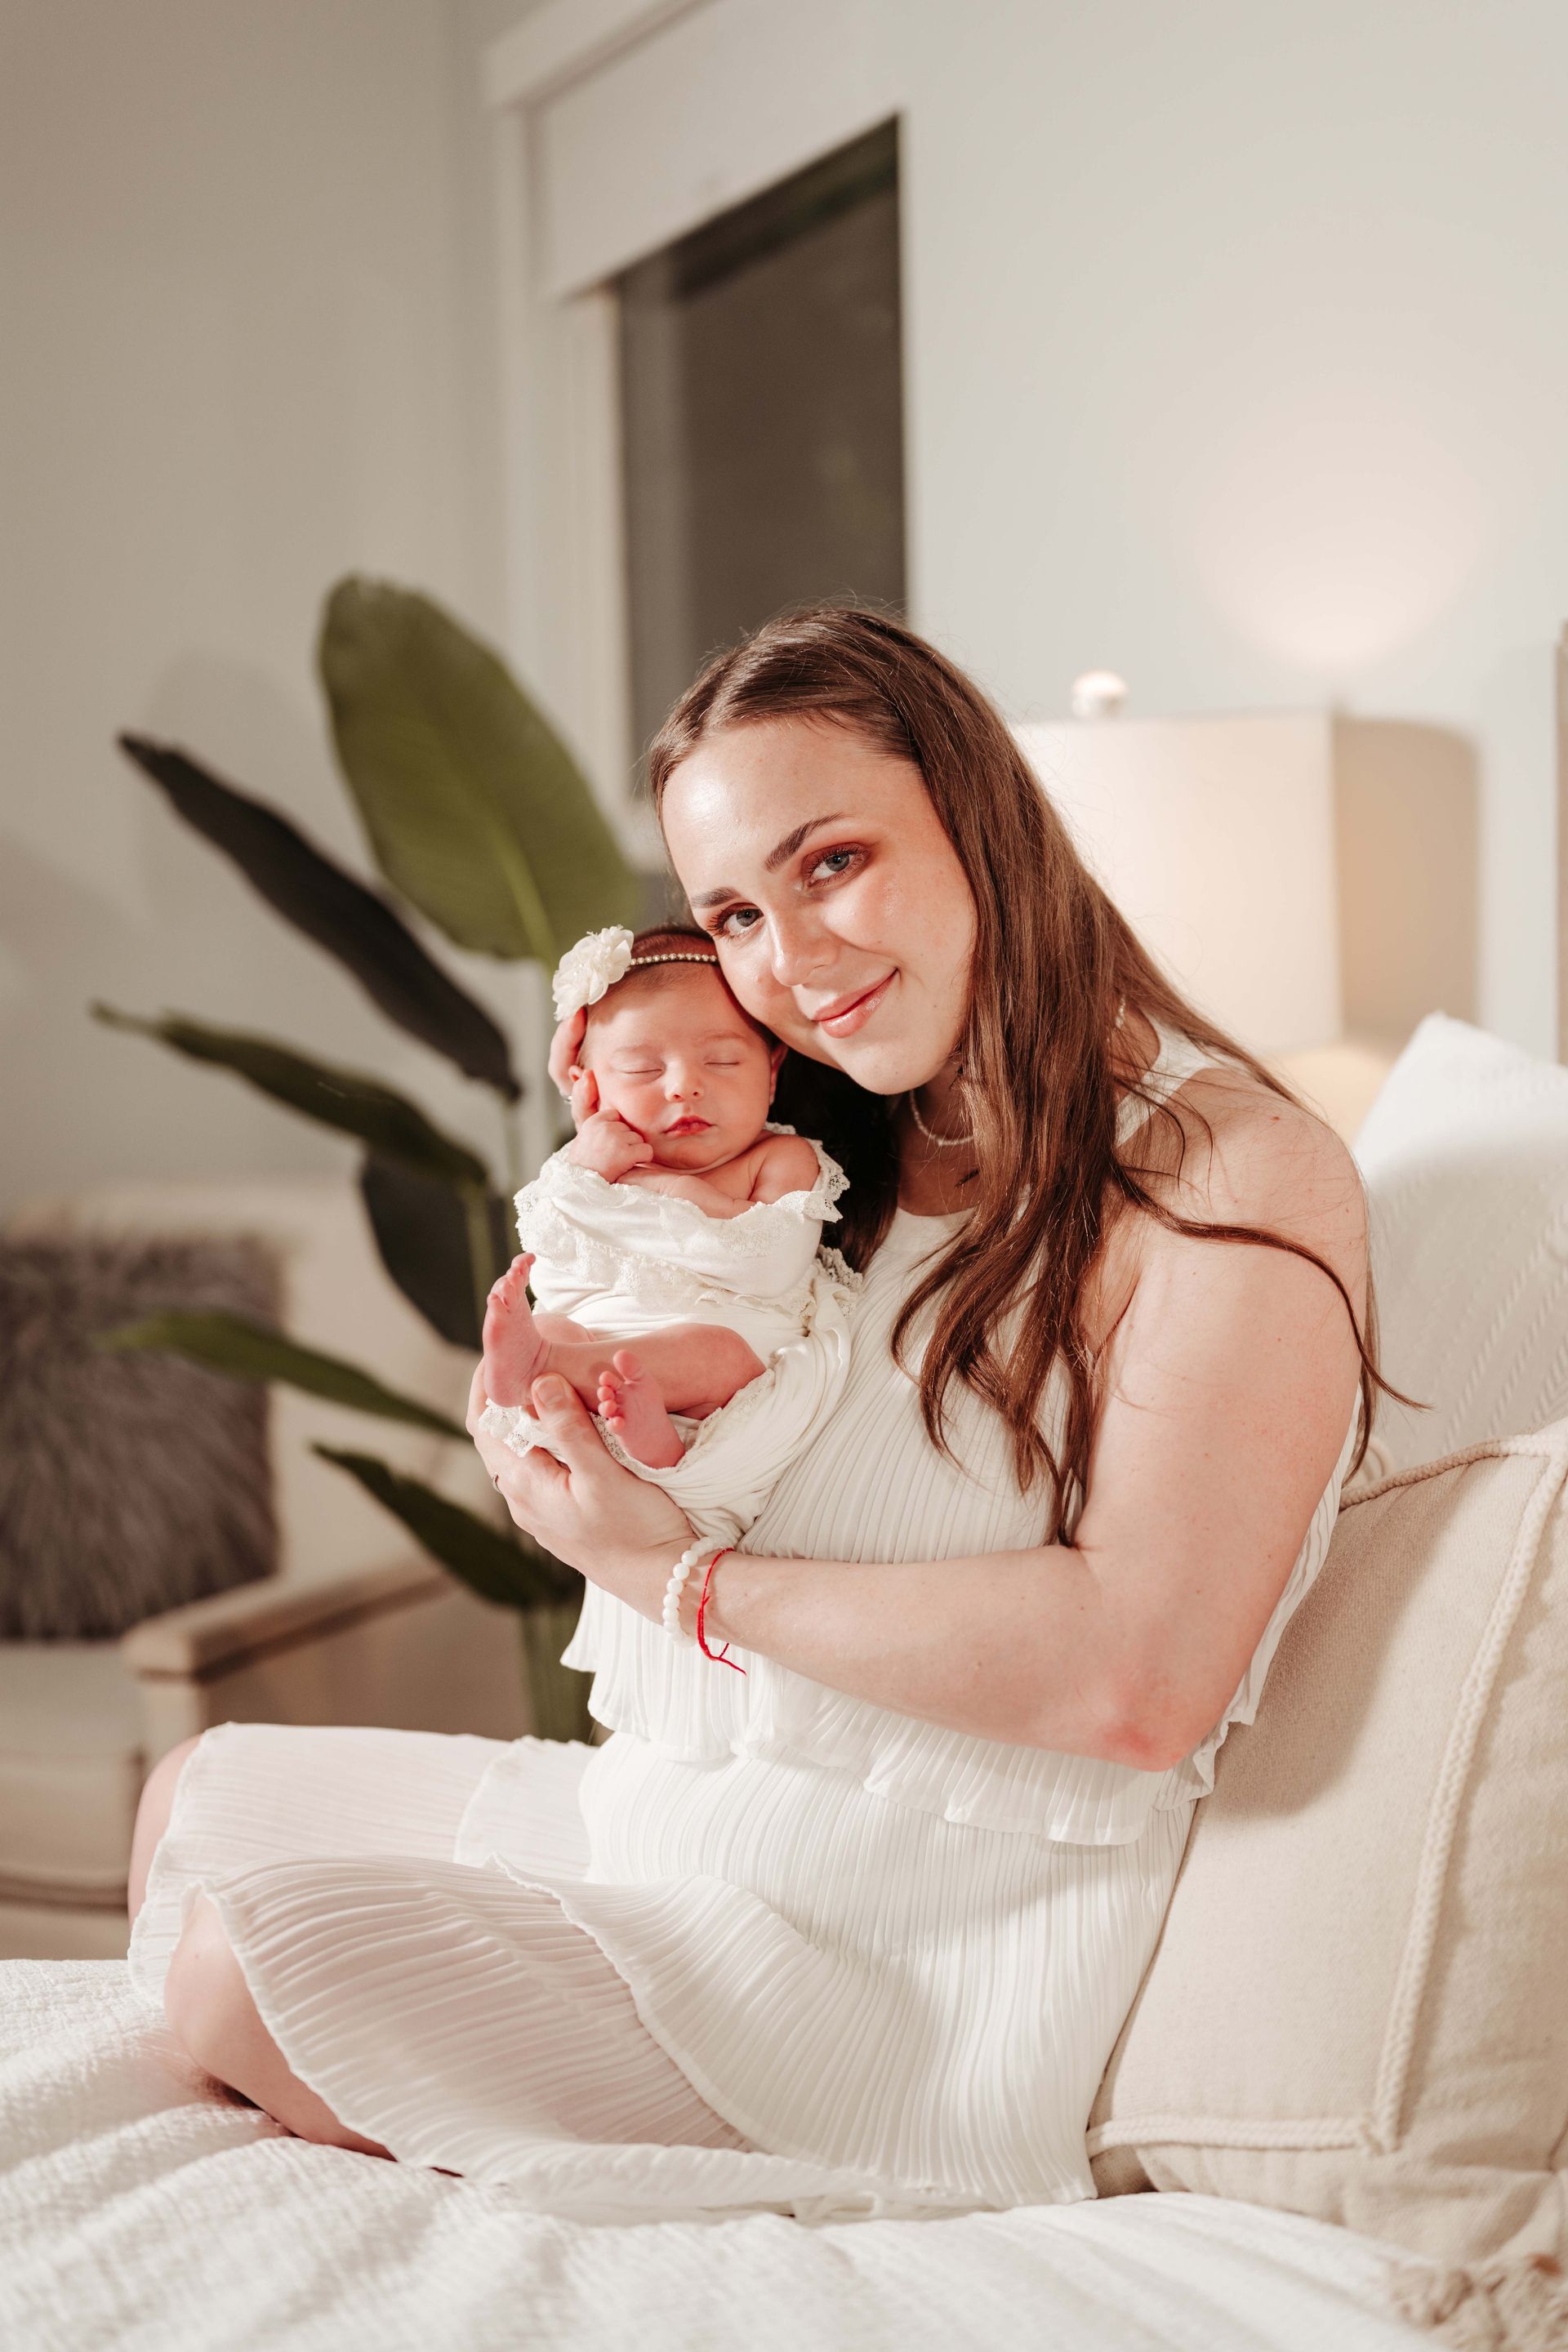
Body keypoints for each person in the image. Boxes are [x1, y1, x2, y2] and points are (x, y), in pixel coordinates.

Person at [127, 604, 1388, 2220]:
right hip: (677, 1826)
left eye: (832, 863)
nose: (789, 966)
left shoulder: (1233, 1173)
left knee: (234, 1972)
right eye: (732, 910)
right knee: (188, 1802)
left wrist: (671, 1578)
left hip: (880, 1974)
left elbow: (1140, 1678)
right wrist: (559, 1387)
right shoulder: (833, 1148)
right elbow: (682, 1373)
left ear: (979, 812)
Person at [478, 923, 856, 1549]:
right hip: (590, 1401)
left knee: (713, 1353)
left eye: (722, 1060)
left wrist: (653, 1185)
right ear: (592, 1088)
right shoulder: (592, 1167)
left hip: (731, 1375)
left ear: (771, 1069)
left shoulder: (781, 1159)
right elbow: (549, 1265)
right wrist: (578, 1166)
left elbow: (763, 1264)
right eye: (641, 1068)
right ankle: (595, 1396)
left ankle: (622, 1415)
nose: (683, 1085)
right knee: (552, 1326)